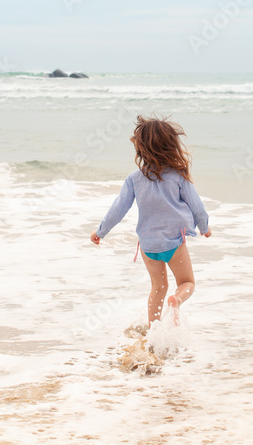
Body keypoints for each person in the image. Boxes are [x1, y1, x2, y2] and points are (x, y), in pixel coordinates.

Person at [90, 115, 211, 325]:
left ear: (141, 148)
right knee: (187, 282)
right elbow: (196, 206)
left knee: (158, 287)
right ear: (170, 145)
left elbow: (118, 209)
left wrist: (100, 232)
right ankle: (177, 300)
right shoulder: (178, 175)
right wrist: (205, 227)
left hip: (148, 245)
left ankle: (153, 328)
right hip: (174, 242)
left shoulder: (134, 179)